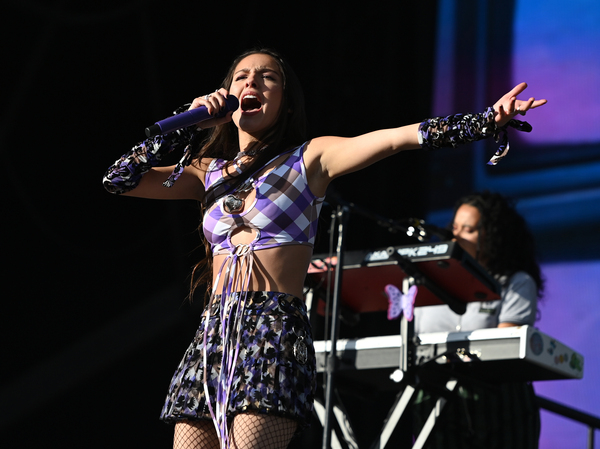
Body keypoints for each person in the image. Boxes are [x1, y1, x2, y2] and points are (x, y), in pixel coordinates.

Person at [102, 47, 547, 449]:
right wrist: (188, 119)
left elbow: (394, 139)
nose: (251, 83)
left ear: (286, 101)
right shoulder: (205, 172)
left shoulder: (309, 158)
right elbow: (118, 180)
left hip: (271, 327)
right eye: (241, 77)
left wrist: (483, 121)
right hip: (215, 330)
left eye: (266, 77)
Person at [413, 191, 545, 448]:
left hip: (498, 403)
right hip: (437, 394)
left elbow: (503, 349)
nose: (456, 237)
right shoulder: (430, 280)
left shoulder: (514, 282)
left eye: (469, 230)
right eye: (455, 227)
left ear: (493, 236)